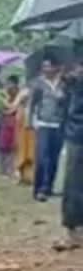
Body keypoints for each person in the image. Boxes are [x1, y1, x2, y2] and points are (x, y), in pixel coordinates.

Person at [30, 58, 66, 201]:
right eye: (44, 66)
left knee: (54, 157)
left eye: (49, 66)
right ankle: (40, 188)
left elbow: (67, 102)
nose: (46, 69)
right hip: (43, 123)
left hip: (58, 124)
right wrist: (31, 121)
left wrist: (62, 98)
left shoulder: (63, 84)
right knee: (42, 157)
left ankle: (49, 186)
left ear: (55, 68)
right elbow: (33, 104)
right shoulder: (38, 83)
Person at [58, 59, 83, 250]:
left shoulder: (75, 83)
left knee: (74, 183)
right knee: (74, 184)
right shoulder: (73, 83)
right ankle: (73, 232)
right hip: (77, 136)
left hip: (77, 136)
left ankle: (74, 233)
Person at [0, 75, 21, 178]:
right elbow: (2, 107)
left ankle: (12, 169)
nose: (9, 85)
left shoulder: (19, 93)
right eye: (8, 83)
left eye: (10, 83)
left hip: (15, 121)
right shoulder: (3, 93)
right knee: (3, 146)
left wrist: (8, 108)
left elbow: (15, 107)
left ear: (15, 84)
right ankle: (3, 170)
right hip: (5, 122)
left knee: (13, 146)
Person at [15, 85, 36, 186]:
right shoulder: (21, 110)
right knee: (22, 154)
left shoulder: (33, 110)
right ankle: (22, 177)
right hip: (22, 134)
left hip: (31, 133)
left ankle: (29, 178)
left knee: (30, 155)